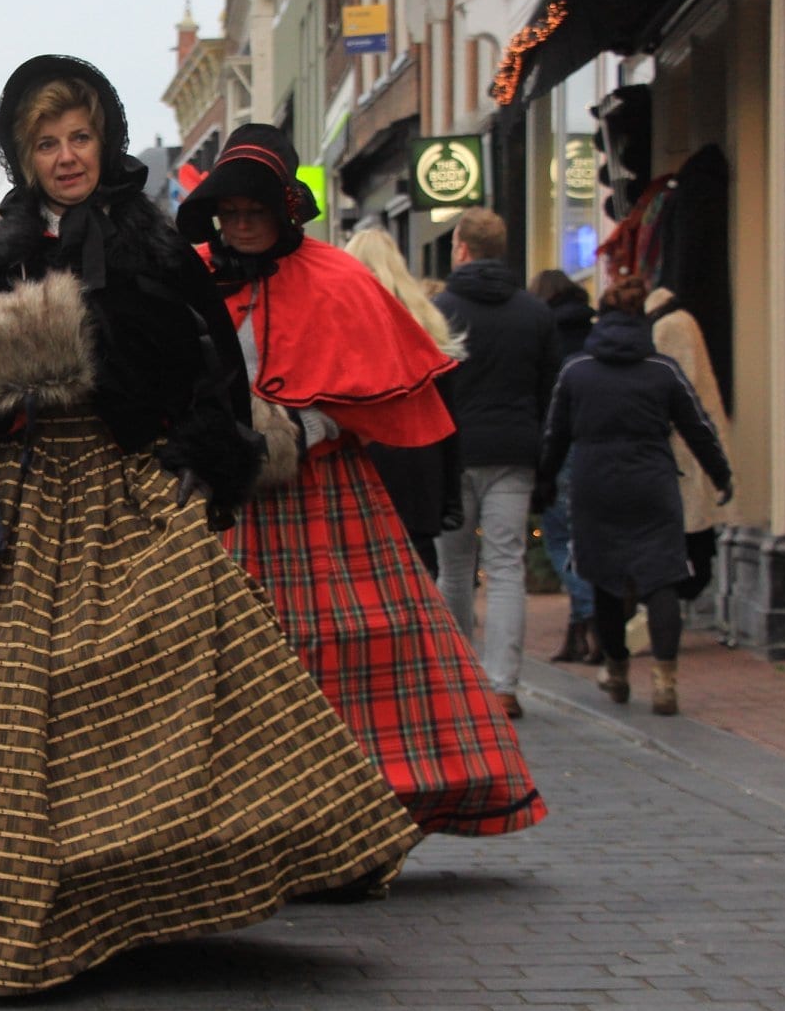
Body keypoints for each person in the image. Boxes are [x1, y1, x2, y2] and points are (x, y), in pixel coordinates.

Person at [0, 56, 420, 998]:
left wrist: (190, 456)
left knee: (157, 690)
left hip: (124, 499)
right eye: (47, 142)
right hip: (11, 502)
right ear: (23, 155)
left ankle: (143, 893)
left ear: (105, 138)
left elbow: (215, 381)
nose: (67, 156)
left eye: (79, 137)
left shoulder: (154, 247)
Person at [180, 136, 543, 840]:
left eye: (256, 210)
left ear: (284, 210)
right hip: (221, 499)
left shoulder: (338, 280)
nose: (243, 224)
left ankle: (365, 797)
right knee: (222, 653)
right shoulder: (191, 280)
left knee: (349, 641)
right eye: (231, 211)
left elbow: (366, 394)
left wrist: (296, 432)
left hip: (322, 495)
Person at [540, 275, 731, 715]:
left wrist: (545, 482)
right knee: (662, 577)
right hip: (652, 483)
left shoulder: (577, 371)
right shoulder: (662, 371)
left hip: (595, 484)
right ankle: (665, 681)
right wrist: (721, 475)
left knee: (607, 580)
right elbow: (698, 427)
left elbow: (555, 434)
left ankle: (617, 670)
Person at [433, 209, 561, 718]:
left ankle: (462, 677)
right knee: (507, 565)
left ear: (461, 247)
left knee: (455, 567)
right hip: (513, 452)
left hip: (455, 450)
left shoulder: (441, 310)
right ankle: (503, 684)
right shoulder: (534, 313)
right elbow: (549, 390)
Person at [345, 227, 466, 577]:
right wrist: (449, 498)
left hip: (362, 474)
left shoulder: (343, 327)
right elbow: (448, 424)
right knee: (421, 583)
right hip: (419, 477)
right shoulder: (427, 328)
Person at [528, 268, 601, 665]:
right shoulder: (593, 332)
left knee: (558, 537)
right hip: (596, 445)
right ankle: (580, 632)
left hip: (559, 443)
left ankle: (590, 615)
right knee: (583, 538)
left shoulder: (542, 333)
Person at [645, 283, 730, 605]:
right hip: (683, 447)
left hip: (680, 448)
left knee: (687, 533)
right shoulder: (675, 322)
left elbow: (682, 392)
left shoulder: (671, 326)